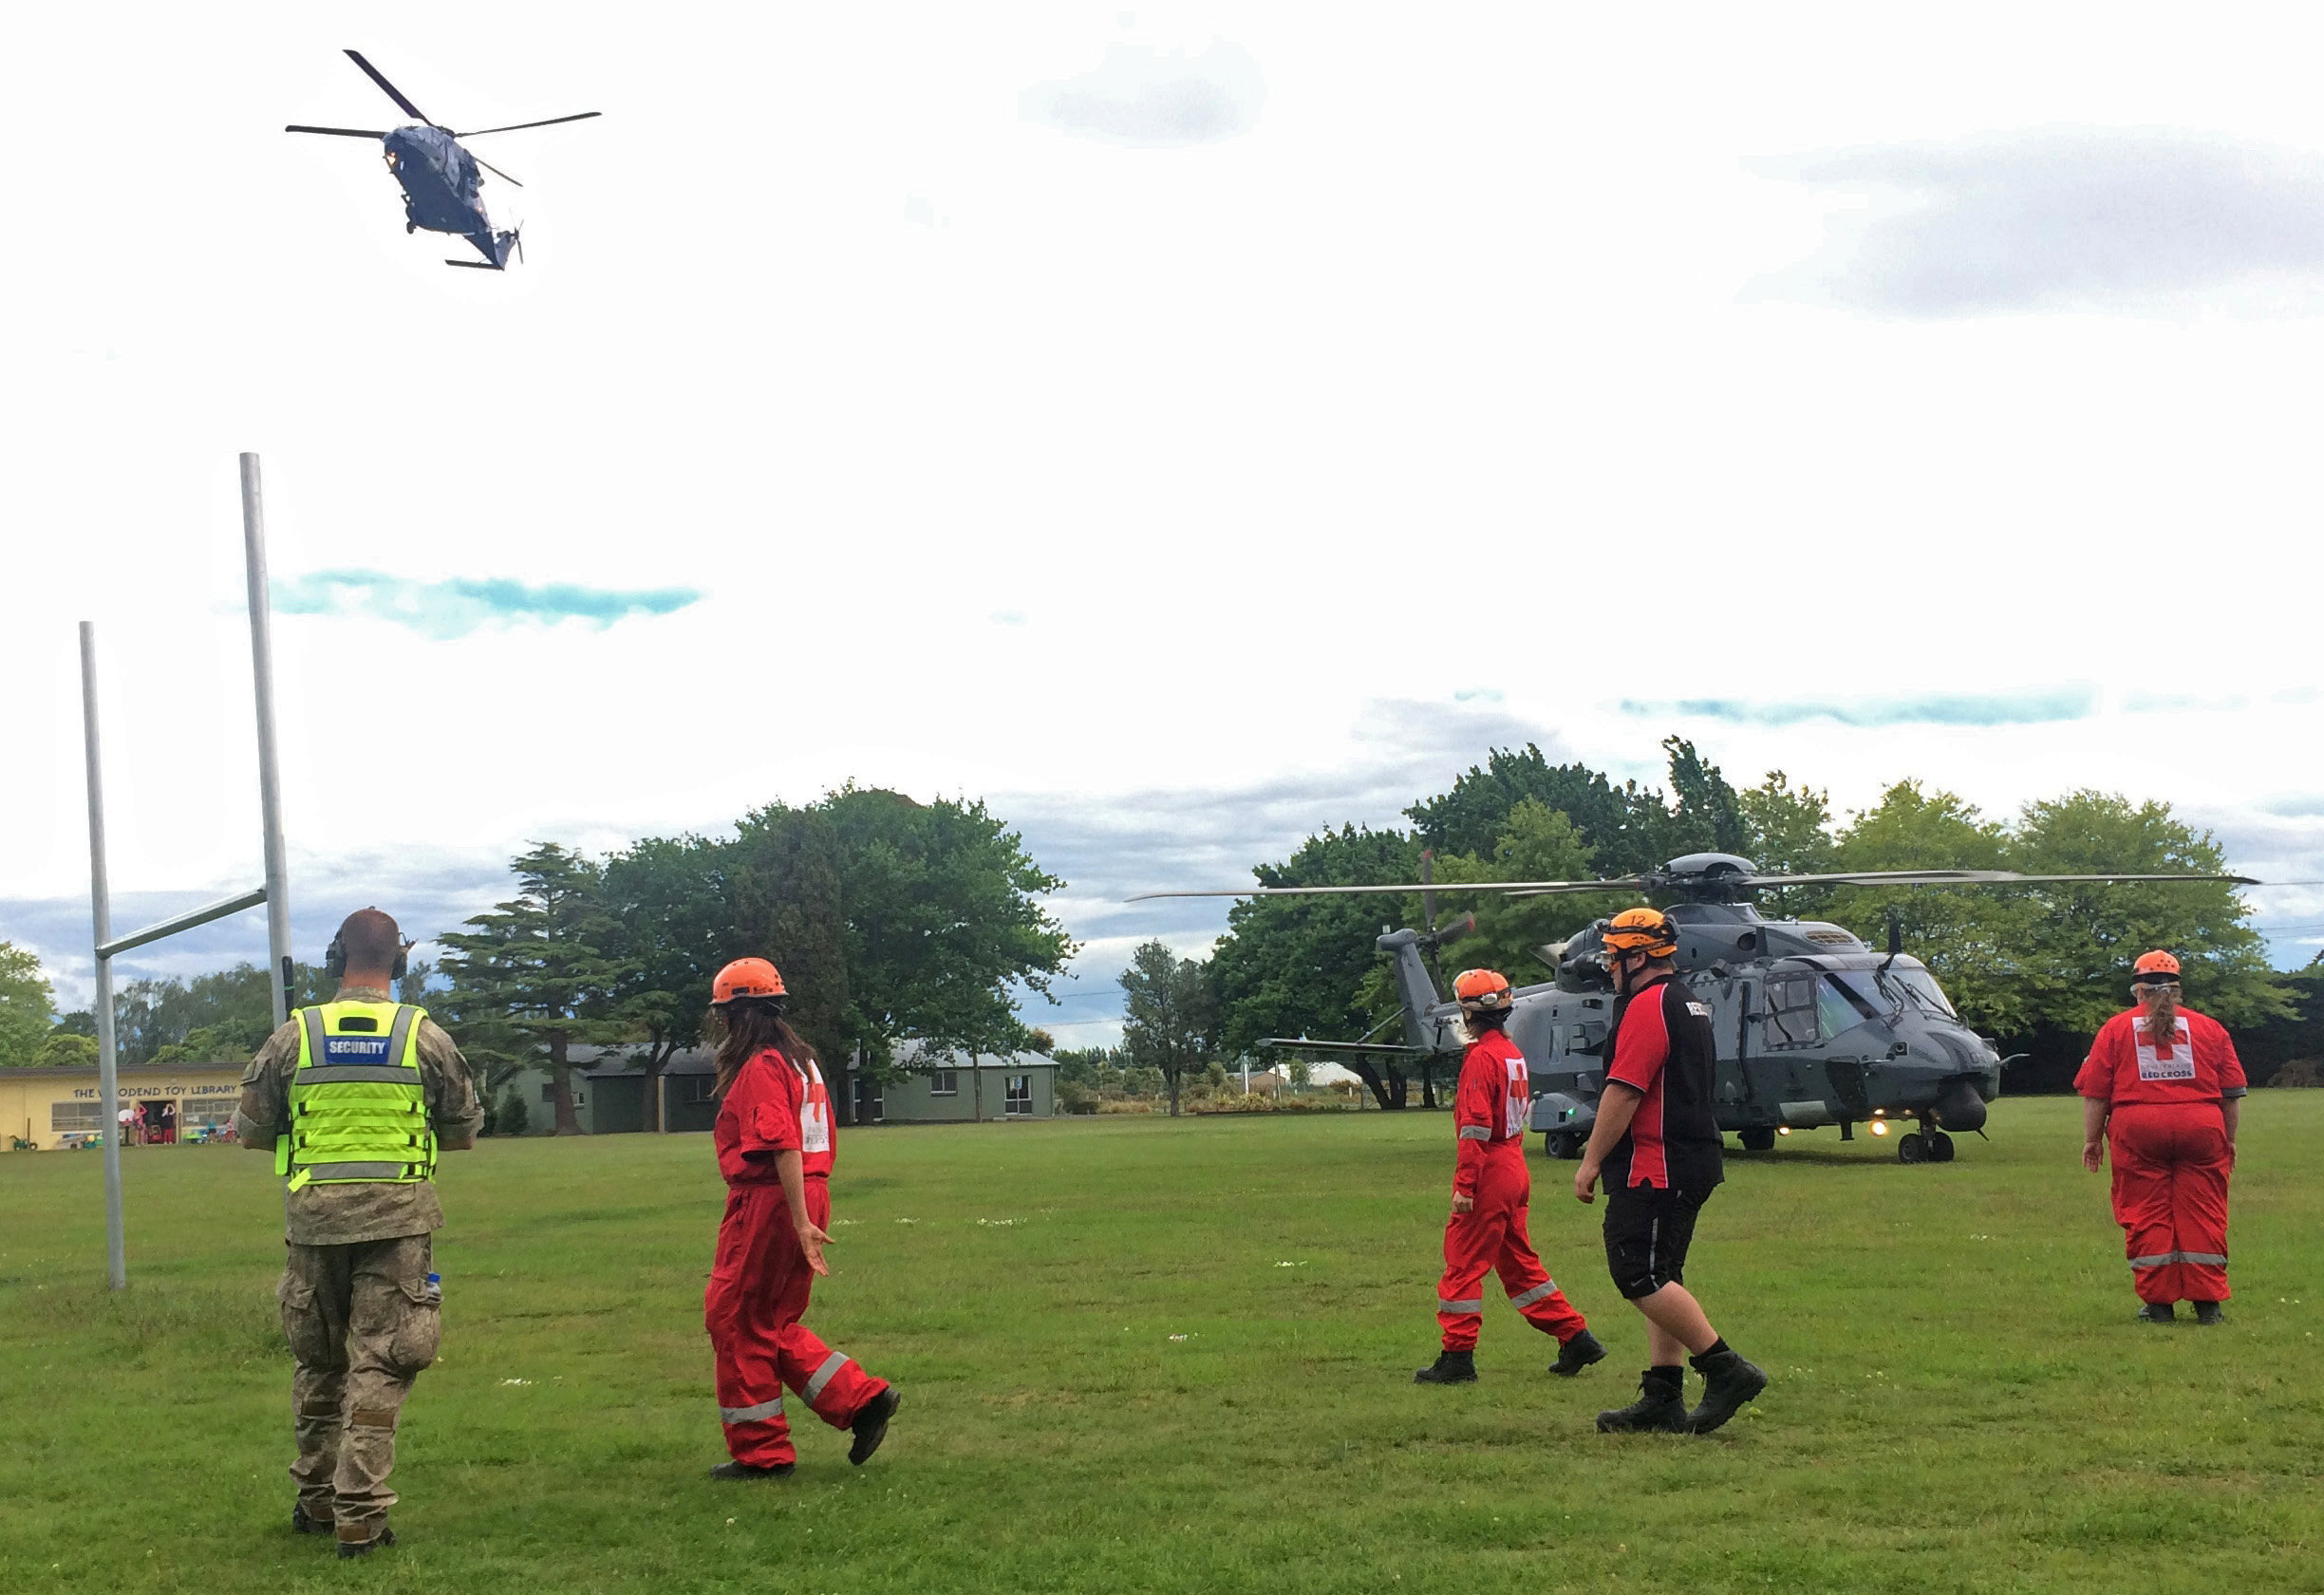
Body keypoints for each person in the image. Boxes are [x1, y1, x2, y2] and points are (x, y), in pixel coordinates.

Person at [233, 907, 480, 1559]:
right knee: (381, 1363)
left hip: (314, 1226)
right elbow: (461, 1131)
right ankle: (360, 1515)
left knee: (318, 1363)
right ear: (399, 961)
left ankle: (315, 1500)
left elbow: (253, 1130)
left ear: (335, 957)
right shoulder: (423, 1037)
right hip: (398, 1225)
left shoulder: (295, 1036)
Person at [703, 956, 900, 1478]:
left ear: (740, 1013)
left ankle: (764, 1454)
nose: (722, 1024)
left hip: (773, 1200)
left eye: (725, 1014)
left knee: (736, 1318)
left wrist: (795, 1219)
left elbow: (781, 1144)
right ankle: (861, 1401)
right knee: (768, 1320)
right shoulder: (801, 1060)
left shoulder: (764, 1065)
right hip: (806, 1192)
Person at [1573, 907, 1766, 1434]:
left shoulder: (1648, 1005)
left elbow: (1624, 1090)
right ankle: (1663, 1395)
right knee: (1665, 1274)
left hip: (1657, 1163)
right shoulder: (1687, 1002)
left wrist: (1590, 1161)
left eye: (1614, 957)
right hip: (1689, 1156)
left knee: (1638, 1273)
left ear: (1638, 956)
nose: (1609, 968)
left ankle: (1724, 1368)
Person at [1415, 967, 1602, 1384]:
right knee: (1519, 1265)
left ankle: (1457, 1357)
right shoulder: (1511, 1052)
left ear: (1466, 1012)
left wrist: (1466, 1185)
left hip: (1490, 1170)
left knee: (1463, 1262)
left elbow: (1476, 1127)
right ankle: (1575, 1337)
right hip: (1514, 1165)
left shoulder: (1482, 1057)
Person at [2074, 949, 2246, 1324]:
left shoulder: (2115, 1029)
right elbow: (2232, 1094)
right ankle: (2208, 1305)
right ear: (2178, 990)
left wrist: (2092, 1141)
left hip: (2137, 1129)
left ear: (2138, 991)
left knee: (2146, 1212)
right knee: (2204, 1213)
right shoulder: (2210, 1029)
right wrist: (2228, 1140)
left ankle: (2159, 1305)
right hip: (2201, 1126)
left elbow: (2096, 1094)